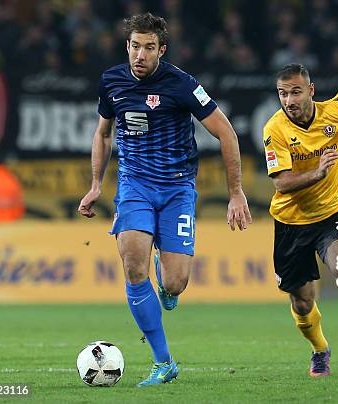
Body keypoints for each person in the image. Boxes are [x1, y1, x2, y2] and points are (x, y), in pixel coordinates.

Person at [78, 13, 252, 387]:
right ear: (127, 46)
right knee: (133, 263)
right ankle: (164, 362)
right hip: (134, 185)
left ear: (162, 50)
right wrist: (96, 184)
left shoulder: (182, 84)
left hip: (177, 189)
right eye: (135, 46)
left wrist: (236, 192)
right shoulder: (111, 82)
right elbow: (103, 134)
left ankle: (167, 282)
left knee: (174, 284)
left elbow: (227, 134)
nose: (140, 55)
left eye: (149, 48)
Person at [262, 64, 338, 377]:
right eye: (282, 93)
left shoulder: (333, 111)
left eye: (295, 91)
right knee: (303, 304)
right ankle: (320, 350)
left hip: (330, 214)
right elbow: (281, 183)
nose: (288, 100)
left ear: (311, 91)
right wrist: (317, 172)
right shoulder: (274, 129)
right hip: (290, 224)